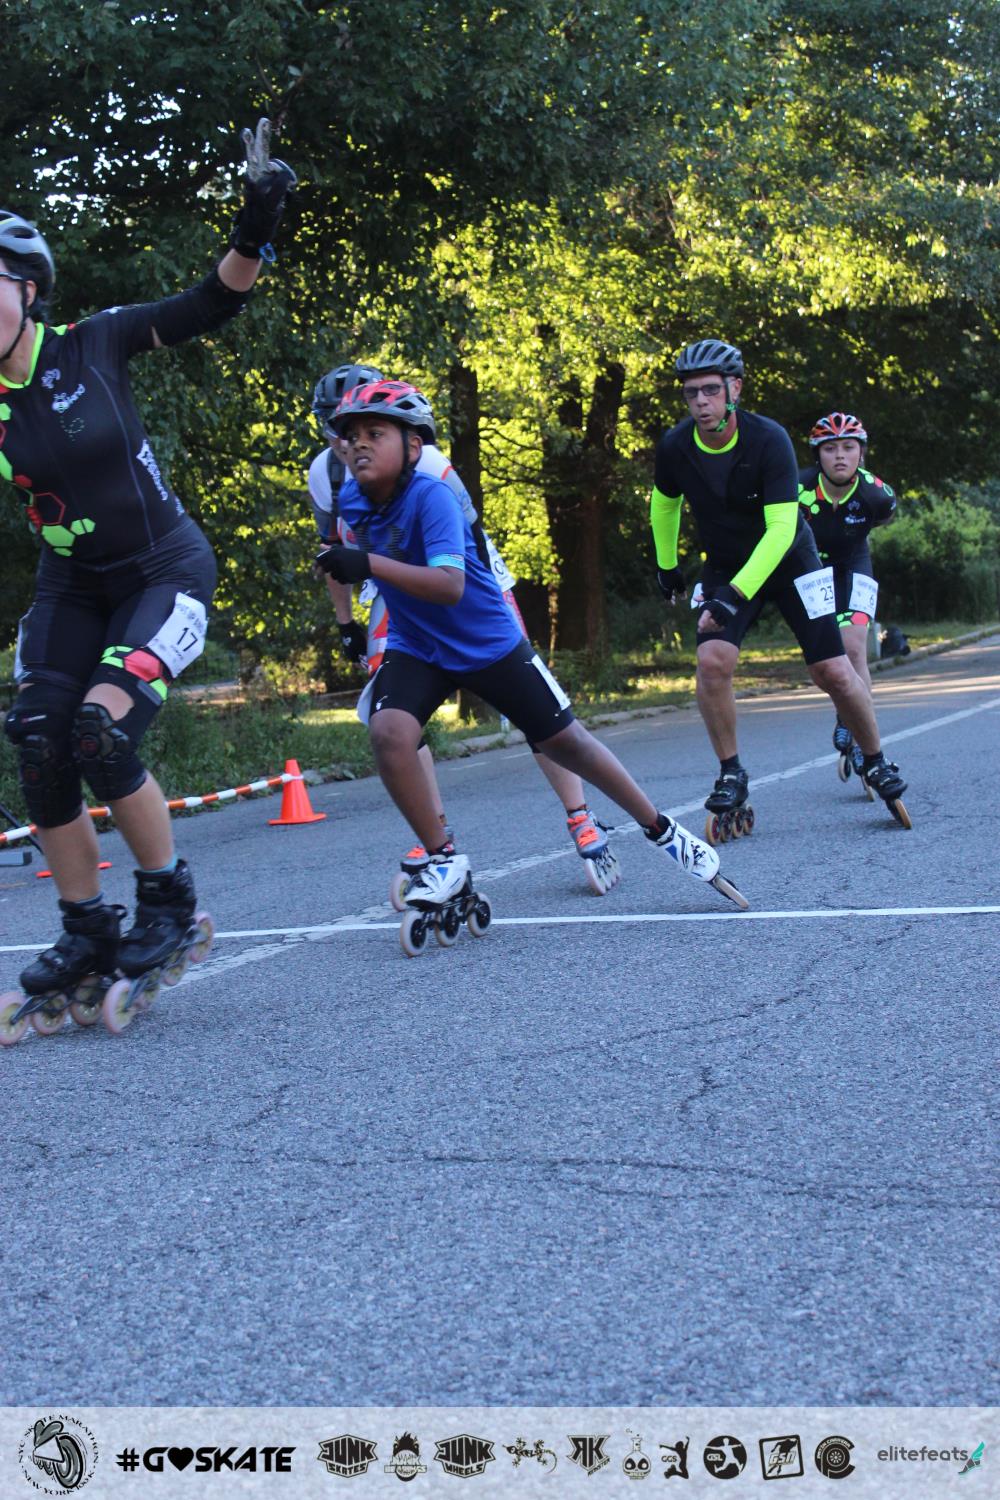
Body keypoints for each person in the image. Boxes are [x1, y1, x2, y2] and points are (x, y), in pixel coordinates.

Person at [0, 120, 296, 1024]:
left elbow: (209, 303)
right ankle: (86, 927)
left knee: (99, 731)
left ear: (28, 289)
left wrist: (255, 225)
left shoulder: (94, 342)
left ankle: (169, 902)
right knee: (38, 736)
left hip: (163, 570)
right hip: (72, 587)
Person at [316, 377, 749, 914]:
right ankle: (443, 859)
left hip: (486, 642)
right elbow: (347, 555)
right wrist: (344, 593)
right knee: (388, 733)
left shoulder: (433, 495)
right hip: (418, 645)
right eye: (351, 435)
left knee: (568, 744)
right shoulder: (351, 500)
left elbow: (449, 586)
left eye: (375, 433)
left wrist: (367, 565)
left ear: (413, 445)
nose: (359, 444)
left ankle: (661, 829)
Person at [308, 362, 622, 898]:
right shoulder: (325, 474)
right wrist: (345, 624)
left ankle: (580, 815)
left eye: (366, 426)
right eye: (340, 425)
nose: (352, 438)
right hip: (391, 585)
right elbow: (332, 550)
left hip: (464, 578)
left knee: (531, 707)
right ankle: (435, 837)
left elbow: (461, 549)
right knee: (393, 712)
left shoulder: (424, 461)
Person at [650, 339, 908, 837]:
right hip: (726, 564)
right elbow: (665, 503)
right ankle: (731, 772)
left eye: (710, 390)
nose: (700, 402)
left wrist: (735, 595)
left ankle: (874, 758)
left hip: (791, 561)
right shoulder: (676, 445)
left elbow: (782, 529)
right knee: (711, 661)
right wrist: (666, 565)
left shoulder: (769, 440)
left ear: (735, 389)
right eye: (691, 393)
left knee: (833, 669)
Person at [797, 412, 897, 771]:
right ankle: (846, 709)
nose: (840, 455)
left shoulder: (878, 495)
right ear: (817, 455)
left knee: (854, 648)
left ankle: (855, 729)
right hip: (812, 572)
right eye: (830, 448)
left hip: (855, 564)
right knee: (827, 659)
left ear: (861, 453)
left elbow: (881, 520)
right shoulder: (797, 489)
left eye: (848, 447)